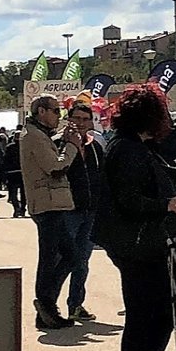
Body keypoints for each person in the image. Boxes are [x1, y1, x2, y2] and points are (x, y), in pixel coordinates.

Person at [92, 85, 176, 351]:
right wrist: (166, 204)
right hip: (137, 246)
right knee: (144, 317)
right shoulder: (128, 150)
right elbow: (129, 201)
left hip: (141, 244)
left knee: (157, 315)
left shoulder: (131, 145)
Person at [21, 96, 81, 330]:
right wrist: (72, 146)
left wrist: (62, 140)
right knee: (52, 257)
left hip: (51, 203)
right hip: (47, 204)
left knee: (68, 256)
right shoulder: (34, 135)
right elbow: (55, 167)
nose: (59, 115)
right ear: (41, 111)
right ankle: (46, 304)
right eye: (56, 111)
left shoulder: (38, 134)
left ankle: (46, 306)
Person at [60, 101, 104, 321]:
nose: (81, 123)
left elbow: (102, 176)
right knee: (61, 260)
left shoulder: (95, 147)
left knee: (82, 261)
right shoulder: (58, 143)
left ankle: (76, 305)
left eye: (86, 119)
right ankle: (48, 305)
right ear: (69, 119)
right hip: (67, 209)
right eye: (77, 118)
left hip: (90, 210)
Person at [2, 128, 27, 219]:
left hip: (12, 172)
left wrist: (4, 173)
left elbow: (5, 160)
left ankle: (16, 208)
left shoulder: (9, 147)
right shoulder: (26, 147)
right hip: (24, 172)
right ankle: (23, 209)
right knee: (24, 193)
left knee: (13, 193)